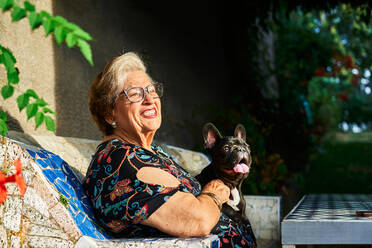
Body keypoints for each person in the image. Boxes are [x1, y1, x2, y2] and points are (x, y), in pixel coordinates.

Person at [83, 52, 257, 247]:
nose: (150, 99)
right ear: (109, 113)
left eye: (151, 90)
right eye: (135, 93)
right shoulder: (122, 162)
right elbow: (196, 220)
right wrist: (214, 194)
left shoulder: (149, 152)